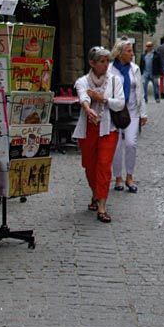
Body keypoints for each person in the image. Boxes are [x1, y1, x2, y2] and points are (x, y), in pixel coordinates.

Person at [73, 46, 126, 223]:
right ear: (92, 63)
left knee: (104, 165)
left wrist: (102, 99)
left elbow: (119, 103)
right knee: (89, 165)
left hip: (108, 128)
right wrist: (88, 109)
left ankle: (102, 206)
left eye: (107, 61)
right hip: (88, 129)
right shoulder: (82, 81)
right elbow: (83, 96)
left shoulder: (114, 80)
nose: (106, 65)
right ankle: (95, 194)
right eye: (102, 61)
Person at [109, 39, 147, 193]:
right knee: (116, 146)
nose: (132, 54)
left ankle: (129, 176)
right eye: (129, 51)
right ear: (119, 54)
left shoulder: (135, 69)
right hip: (115, 112)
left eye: (132, 51)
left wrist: (143, 113)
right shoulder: (110, 70)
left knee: (131, 144)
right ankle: (118, 177)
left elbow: (140, 92)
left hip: (132, 111)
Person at [140, 40, 157, 105]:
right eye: (147, 46)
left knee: (156, 86)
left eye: (149, 46)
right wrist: (141, 72)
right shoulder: (143, 54)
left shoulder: (155, 54)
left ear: (152, 47)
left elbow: (159, 63)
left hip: (153, 72)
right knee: (144, 86)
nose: (148, 47)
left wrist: (160, 72)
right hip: (145, 72)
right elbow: (141, 64)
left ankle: (157, 98)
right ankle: (145, 99)